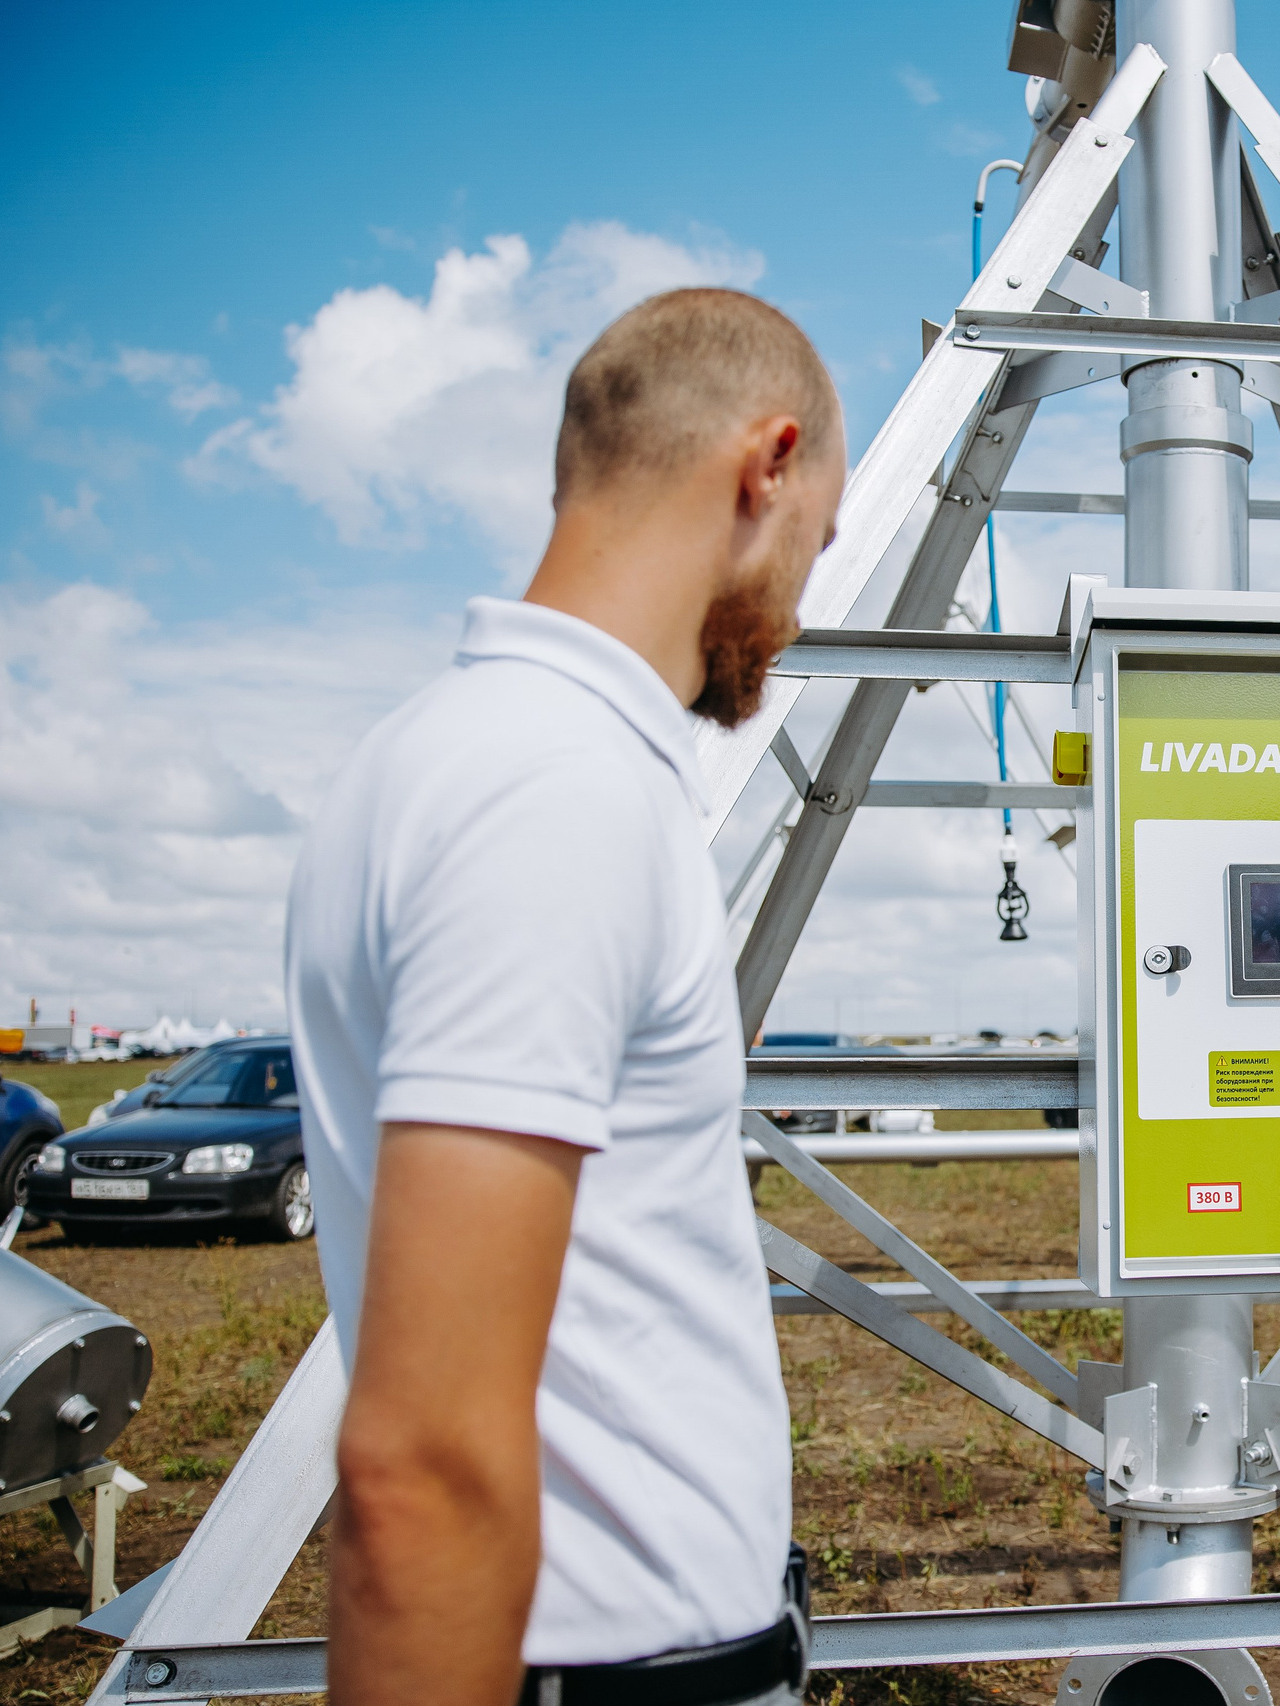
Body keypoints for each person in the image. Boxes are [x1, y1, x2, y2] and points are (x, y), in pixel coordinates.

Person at [285, 289, 845, 1706]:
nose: (798, 607)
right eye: (818, 547)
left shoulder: (451, 753)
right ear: (766, 466)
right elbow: (420, 1464)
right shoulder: (556, 791)